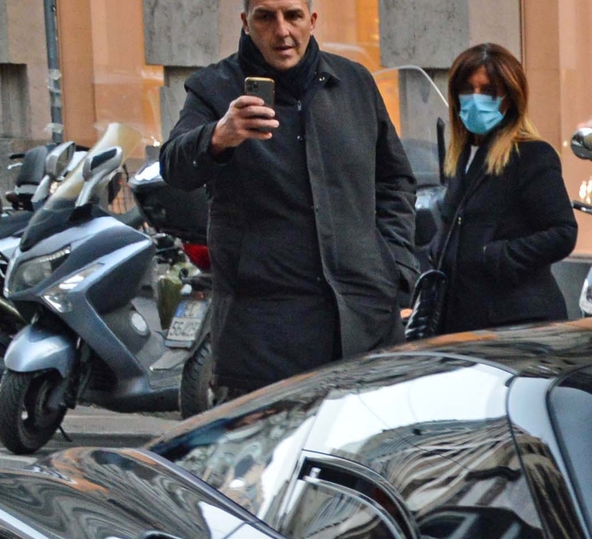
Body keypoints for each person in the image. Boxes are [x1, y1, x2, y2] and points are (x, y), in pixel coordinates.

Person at [163, 0, 415, 399]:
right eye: (266, 17)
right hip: (264, 333)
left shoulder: (353, 83)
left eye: (293, 16)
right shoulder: (214, 88)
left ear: (311, 21)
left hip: (363, 322)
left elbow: (394, 180)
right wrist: (218, 136)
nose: (282, 31)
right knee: (272, 461)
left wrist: (395, 265)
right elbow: (174, 167)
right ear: (246, 23)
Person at [418, 43, 576, 336]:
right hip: (464, 320)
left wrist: (498, 255)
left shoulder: (530, 155)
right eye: (467, 89)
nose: (476, 99)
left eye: (489, 91)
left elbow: (563, 232)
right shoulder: (462, 156)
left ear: (510, 98)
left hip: (516, 322)